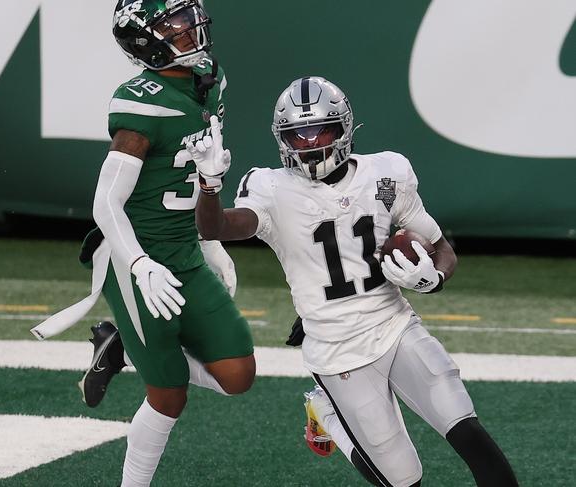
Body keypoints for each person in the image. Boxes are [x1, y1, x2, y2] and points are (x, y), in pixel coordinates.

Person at [191, 77, 518, 486]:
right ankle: (329, 415)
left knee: (466, 428)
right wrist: (208, 185)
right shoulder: (273, 189)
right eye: (298, 135)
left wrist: (433, 278)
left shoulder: (386, 174)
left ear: (344, 128)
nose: (310, 144)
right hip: (336, 350)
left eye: (320, 131)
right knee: (404, 479)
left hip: (395, 326)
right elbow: (217, 226)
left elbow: (442, 249)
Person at [33, 1, 255, 486]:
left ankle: (121, 349)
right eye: (172, 24)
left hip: (183, 247)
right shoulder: (139, 102)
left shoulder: (211, 77)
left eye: (187, 17)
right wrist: (138, 264)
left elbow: (199, 166)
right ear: (144, 41)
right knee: (169, 396)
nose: (189, 28)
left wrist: (207, 238)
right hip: (135, 256)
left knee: (238, 375)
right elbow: (105, 203)